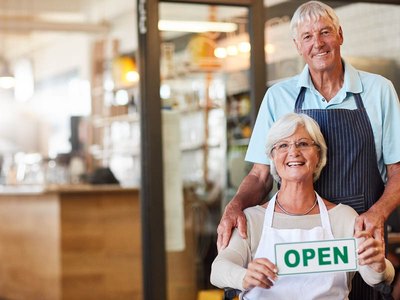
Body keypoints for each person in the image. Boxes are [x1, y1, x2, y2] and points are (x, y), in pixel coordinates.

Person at [217, 1, 400, 299]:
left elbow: (398, 171)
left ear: (340, 35)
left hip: (358, 236)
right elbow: (261, 175)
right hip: (300, 244)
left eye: (325, 32)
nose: (318, 43)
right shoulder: (279, 97)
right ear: (297, 46)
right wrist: (234, 208)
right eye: (307, 37)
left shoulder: (378, 91)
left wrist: (378, 213)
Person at [211, 113, 395, 299]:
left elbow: (376, 275)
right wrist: (244, 276)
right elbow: (218, 269)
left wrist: (379, 265)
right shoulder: (252, 219)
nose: (293, 152)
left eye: (303, 144)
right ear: (273, 158)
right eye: (283, 145)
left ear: (318, 156)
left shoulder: (344, 217)